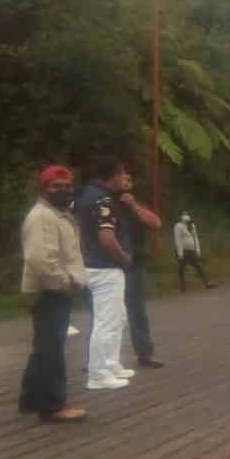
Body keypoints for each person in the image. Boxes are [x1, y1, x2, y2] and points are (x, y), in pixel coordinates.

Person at [19, 165, 87, 422]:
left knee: (44, 347)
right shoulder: (43, 216)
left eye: (67, 186)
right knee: (51, 350)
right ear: (44, 189)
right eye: (56, 187)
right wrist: (65, 282)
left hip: (54, 289)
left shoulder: (59, 214)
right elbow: (40, 258)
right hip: (50, 290)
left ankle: (31, 399)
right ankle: (52, 406)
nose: (63, 191)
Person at [74, 157, 135, 390]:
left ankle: (111, 363)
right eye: (122, 174)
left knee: (117, 318)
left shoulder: (85, 194)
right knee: (106, 322)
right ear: (113, 175)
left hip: (94, 264)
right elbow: (107, 239)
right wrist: (124, 258)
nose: (124, 178)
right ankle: (98, 373)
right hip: (105, 268)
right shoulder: (103, 199)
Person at [116, 172, 164, 369]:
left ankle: (144, 353)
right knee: (105, 313)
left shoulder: (136, 206)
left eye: (128, 179)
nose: (126, 182)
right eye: (122, 178)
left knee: (136, 309)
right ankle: (100, 358)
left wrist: (133, 206)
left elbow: (156, 223)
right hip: (110, 265)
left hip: (134, 264)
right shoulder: (105, 202)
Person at [174, 211, 217, 292]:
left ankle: (207, 283)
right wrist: (180, 253)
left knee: (199, 266)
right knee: (181, 269)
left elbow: (195, 238)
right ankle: (183, 286)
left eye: (187, 214)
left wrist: (198, 250)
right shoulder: (178, 226)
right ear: (180, 216)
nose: (186, 216)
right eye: (184, 215)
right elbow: (178, 240)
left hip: (191, 251)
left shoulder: (192, 226)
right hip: (182, 250)